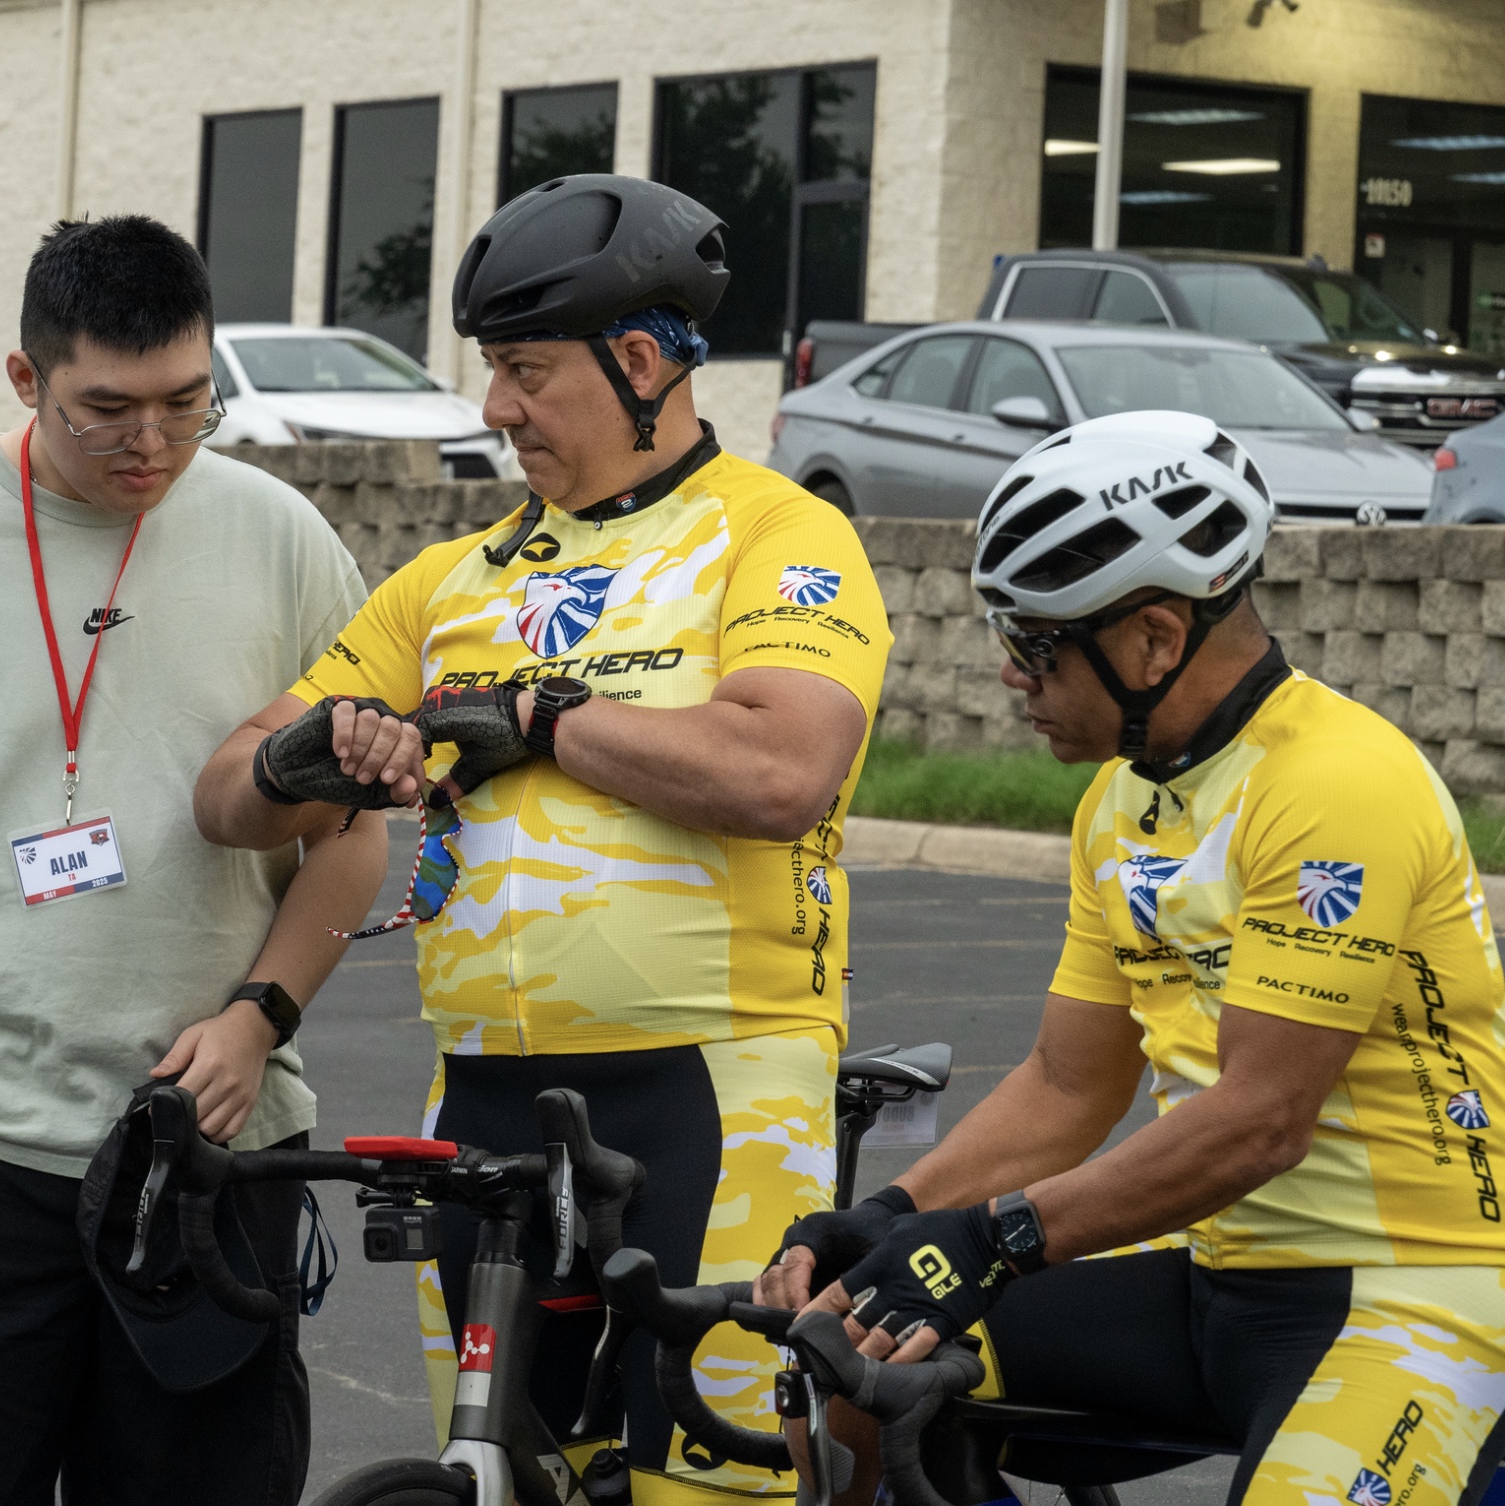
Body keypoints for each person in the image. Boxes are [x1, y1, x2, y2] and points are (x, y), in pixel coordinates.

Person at [194, 173, 891, 1504]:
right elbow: (225, 791)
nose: (496, 408)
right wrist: (310, 753)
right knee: (509, 1472)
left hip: (711, 1089)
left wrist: (539, 714)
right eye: (493, 372)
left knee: (708, 1483)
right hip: (486, 1104)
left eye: (524, 370)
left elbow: (780, 765)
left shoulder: (782, 533)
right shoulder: (451, 581)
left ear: (640, 363)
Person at [760, 411, 1505, 1506]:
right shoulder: (1123, 799)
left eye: (1033, 642)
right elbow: (1071, 1084)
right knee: (856, 1373)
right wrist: (895, 1218)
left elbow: (1260, 1118)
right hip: (1217, 1278)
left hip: (1411, 1292)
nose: (1008, 673)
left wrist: (992, 1239)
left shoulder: (1337, 784)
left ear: (1153, 638)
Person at [0, 216, 379, 1504]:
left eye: (184, 403)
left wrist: (261, 1020)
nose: (149, 445)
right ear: (26, 380)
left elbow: (357, 829)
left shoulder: (284, 539)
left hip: (214, 1151)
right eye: (105, 410)